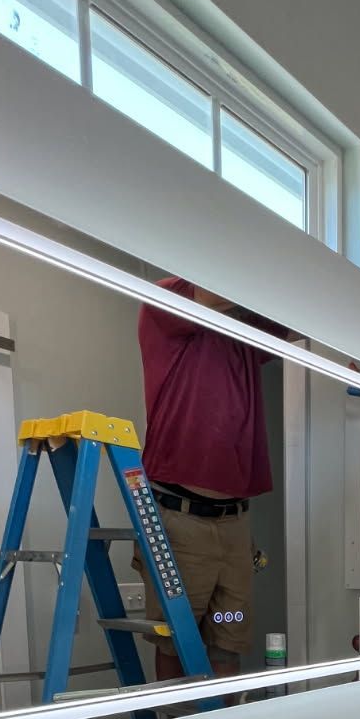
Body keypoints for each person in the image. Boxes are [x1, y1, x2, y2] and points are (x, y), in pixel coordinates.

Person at [135, 277, 292, 686]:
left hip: (234, 530)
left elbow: (294, 323)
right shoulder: (166, 300)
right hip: (181, 523)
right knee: (176, 642)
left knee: (228, 634)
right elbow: (214, 292)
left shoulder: (240, 329)